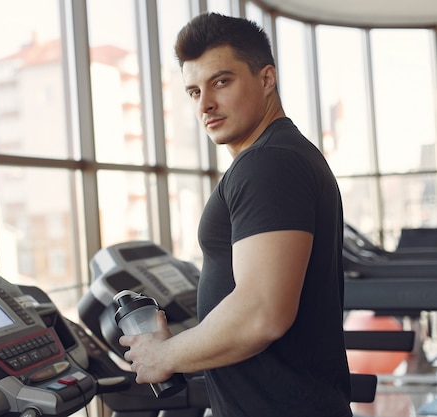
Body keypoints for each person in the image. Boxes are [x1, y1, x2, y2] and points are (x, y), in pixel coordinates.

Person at [119, 12, 352, 417]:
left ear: (266, 79)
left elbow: (262, 313)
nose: (206, 103)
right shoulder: (280, 155)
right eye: (194, 91)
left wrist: (166, 355)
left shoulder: (269, 163)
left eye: (221, 82)